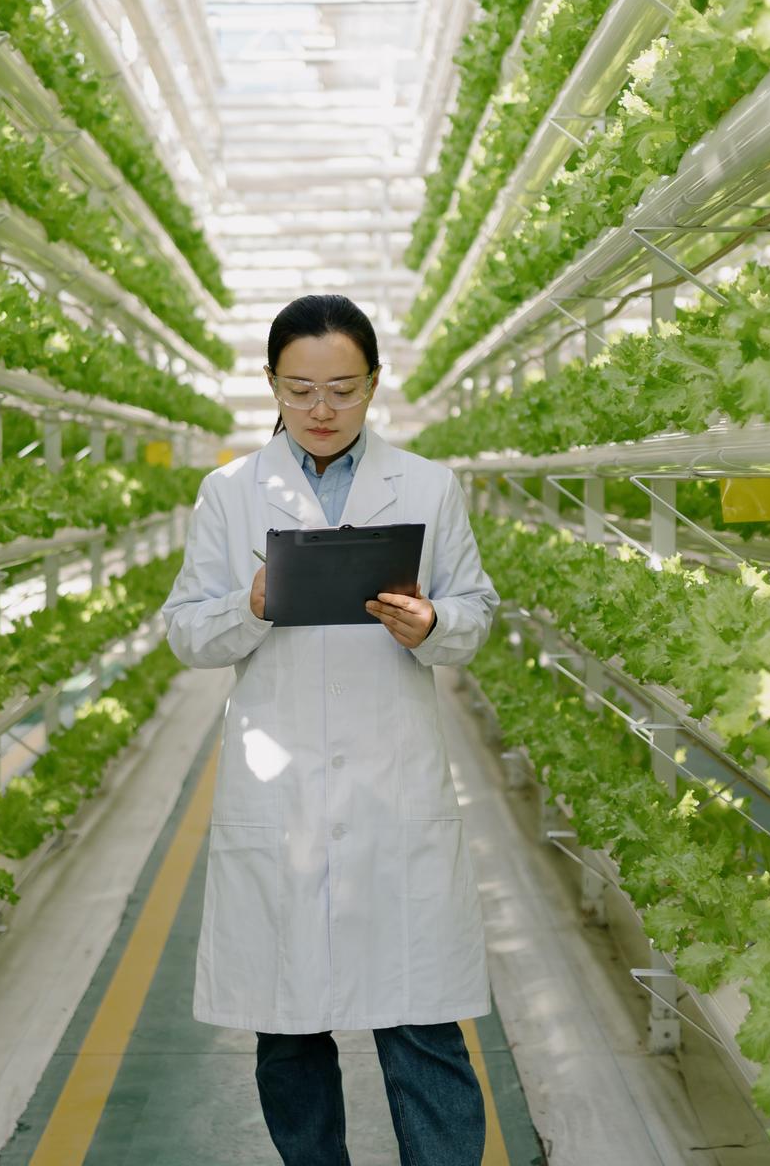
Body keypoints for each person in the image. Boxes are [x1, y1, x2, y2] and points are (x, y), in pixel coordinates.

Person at [161, 293, 500, 1166]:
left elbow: (477, 607)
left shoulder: (427, 485)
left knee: (421, 1021)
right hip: (281, 796)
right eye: (300, 389)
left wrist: (434, 626)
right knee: (289, 1031)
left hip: (393, 788)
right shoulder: (230, 494)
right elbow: (187, 632)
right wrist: (252, 605)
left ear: (375, 383)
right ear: (271, 384)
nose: (320, 411)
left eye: (343, 390)